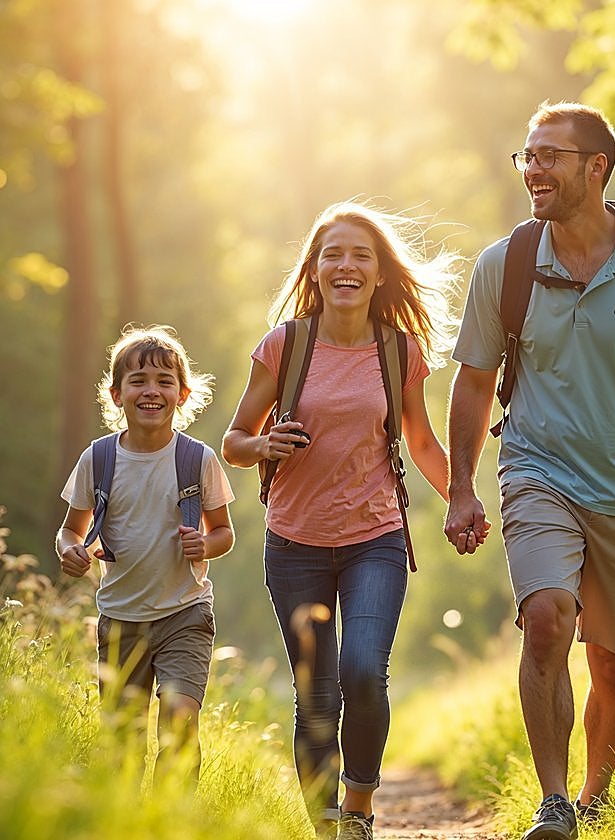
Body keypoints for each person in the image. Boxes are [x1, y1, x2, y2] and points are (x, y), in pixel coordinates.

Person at [444, 100, 615, 840]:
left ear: (595, 167)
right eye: (527, 155)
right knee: (546, 620)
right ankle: (555, 801)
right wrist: (462, 487)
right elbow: (473, 381)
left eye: (550, 156)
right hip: (538, 471)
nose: (532, 169)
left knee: (613, 662)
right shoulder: (503, 265)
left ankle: (598, 796)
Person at [222, 201, 467, 840]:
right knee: (314, 694)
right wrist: (265, 445)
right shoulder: (286, 345)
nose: (347, 265)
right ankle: (324, 825)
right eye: (333, 254)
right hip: (294, 543)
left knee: (362, 669)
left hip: (375, 540)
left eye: (361, 255)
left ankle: (357, 803)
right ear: (315, 269)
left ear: (380, 272)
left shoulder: (399, 350)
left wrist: (460, 497)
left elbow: (421, 442)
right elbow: (234, 439)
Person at [56, 325, 235, 785]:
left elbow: (224, 534)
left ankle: (172, 822)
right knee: (122, 740)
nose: (151, 390)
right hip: (120, 619)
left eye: (164, 381)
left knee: (179, 720)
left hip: (185, 613)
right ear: (116, 395)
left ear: (182, 394)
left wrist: (205, 544)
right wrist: (72, 552)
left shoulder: (197, 459)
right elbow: (69, 531)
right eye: (137, 381)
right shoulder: (98, 459)